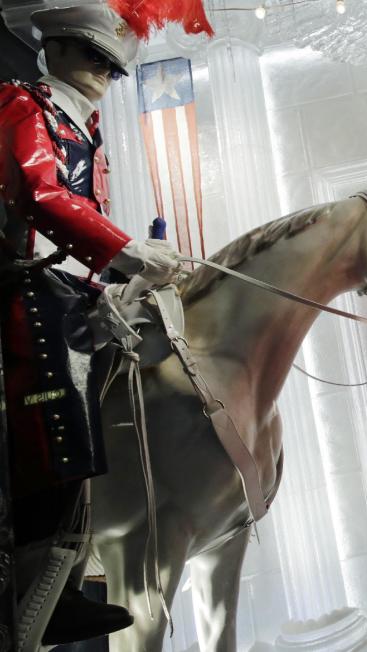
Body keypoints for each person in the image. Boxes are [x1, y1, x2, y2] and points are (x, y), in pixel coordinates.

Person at [0, 4, 181, 644]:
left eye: (110, 61)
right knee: (55, 439)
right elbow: (41, 195)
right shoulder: (23, 106)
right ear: (52, 50)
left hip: (72, 294)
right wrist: (125, 249)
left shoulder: (86, 126)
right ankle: (32, 591)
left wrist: (110, 279)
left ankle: (68, 582)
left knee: (91, 433)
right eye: (90, 53)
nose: (103, 70)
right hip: (31, 293)